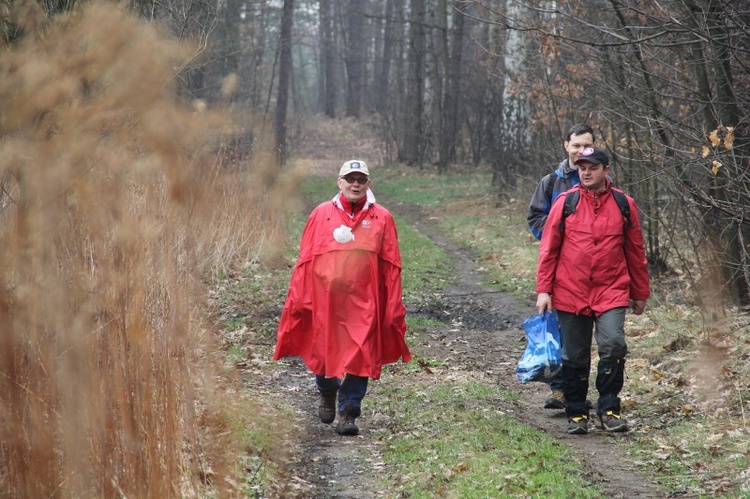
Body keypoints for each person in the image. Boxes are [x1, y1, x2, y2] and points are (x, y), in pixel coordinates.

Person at [274, 159, 411, 436]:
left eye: (361, 179)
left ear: (368, 184)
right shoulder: (321, 213)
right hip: (326, 300)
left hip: (365, 301)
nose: (355, 184)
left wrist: (391, 302)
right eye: (350, 179)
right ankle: (327, 390)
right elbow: (305, 260)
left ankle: (349, 410)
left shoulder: (381, 217)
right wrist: (300, 296)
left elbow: (391, 264)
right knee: (325, 346)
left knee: (362, 351)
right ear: (340, 183)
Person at [535, 146, 650, 435]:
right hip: (570, 291)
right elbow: (548, 251)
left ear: (606, 171)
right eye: (582, 167)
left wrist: (640, 292)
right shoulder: (566, 202)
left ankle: (609, 409)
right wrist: (544, 291)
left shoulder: (624, 204)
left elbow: (635, 251)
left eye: (592, 167)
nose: (586, 172)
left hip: (611, 290)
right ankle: (576, 412)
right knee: (575, 356)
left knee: (613, 345)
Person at [527, 124, 595, 410]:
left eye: (586, 146)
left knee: (582, 332)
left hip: (591, 271)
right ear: (566, 146)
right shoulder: (551, 183)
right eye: (576, 145)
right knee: (556, 327)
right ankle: (558, 390)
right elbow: (535, 219)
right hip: (557, 267)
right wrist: (561, 235)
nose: (581, 151)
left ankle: (576, 390)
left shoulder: (602, 179)